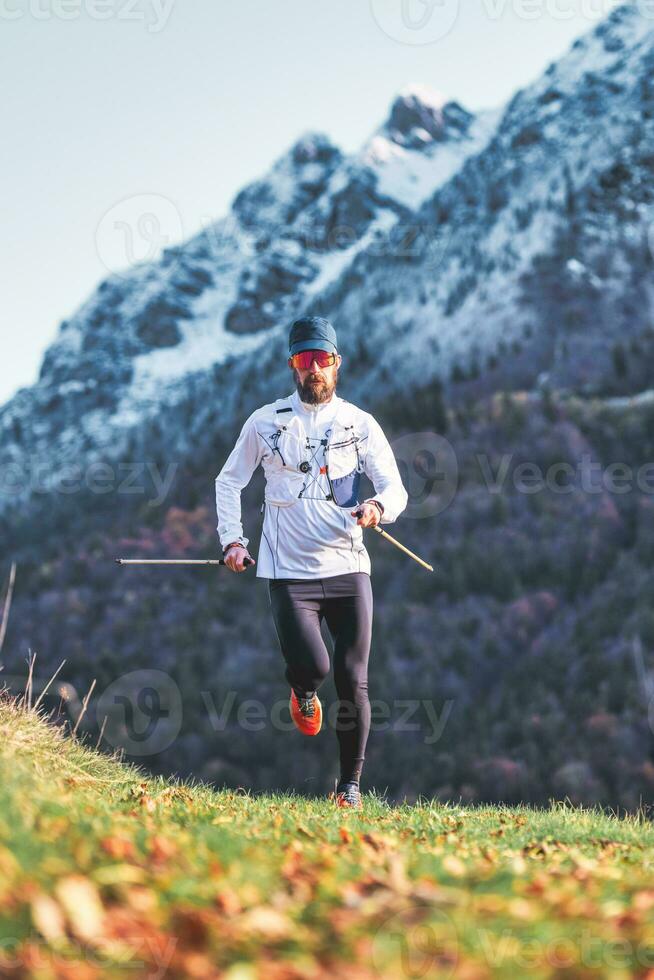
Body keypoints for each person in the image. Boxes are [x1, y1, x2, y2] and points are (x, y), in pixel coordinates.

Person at [214, 315, 408, 809]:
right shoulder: (265, 421)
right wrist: (232, 541)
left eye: (322, 359)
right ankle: (302, 689)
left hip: (348, 567)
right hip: (287, 572)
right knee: (316, 666)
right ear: (291, 367)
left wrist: (378, 508)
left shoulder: (360, 424)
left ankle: (350, 788)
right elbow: (229, 481)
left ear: (337, 364)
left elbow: (395, 488)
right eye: (304, 361)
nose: (313, 369)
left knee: (353, 678)